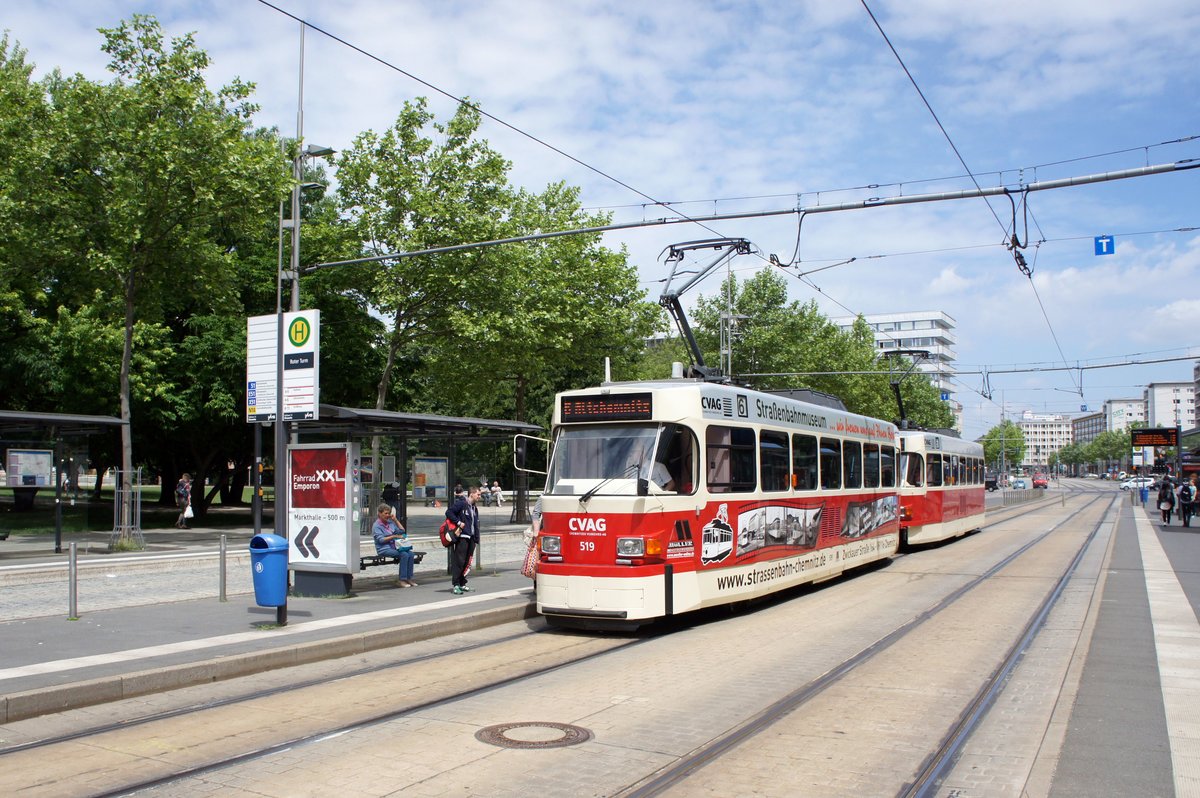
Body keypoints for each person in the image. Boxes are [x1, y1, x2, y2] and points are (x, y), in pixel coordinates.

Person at [445, 486, 481, 595]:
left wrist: (476, 539)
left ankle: (462, 583)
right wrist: (458, 523)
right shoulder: (462, 503)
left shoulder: (474, 508)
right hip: (463, 537)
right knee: (459, 561)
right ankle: (456, 584)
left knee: (467, 562)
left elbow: (475, 524)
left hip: (471, 538)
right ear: (472, 494)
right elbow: (449, 512)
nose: (479, 496)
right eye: (478, 494)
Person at [372, 503, 415, 587]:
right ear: (380, 513)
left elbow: (402, 531)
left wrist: (395, 520)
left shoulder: (390, 523)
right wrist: (393, 536)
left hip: (394, 547)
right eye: (385, 513)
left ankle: (409, 578)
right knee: (404, 554)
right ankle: (402, 579)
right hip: (384, 549)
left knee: (411, 554)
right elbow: (381, 540)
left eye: (389, 513)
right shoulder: (377, 526)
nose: (387, 515)